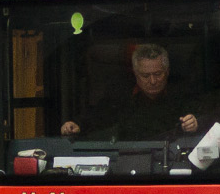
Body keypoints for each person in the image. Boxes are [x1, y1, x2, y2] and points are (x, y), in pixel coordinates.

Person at [62, 43, 198, 139]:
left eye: (158, 74)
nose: (152, 81)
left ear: (167, 72)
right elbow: (98, 115)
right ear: (135, 74)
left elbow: (206, 114)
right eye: (145, 76)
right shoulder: (120, 93)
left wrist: (195, 123)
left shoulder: (183, 92)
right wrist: (77, 125)